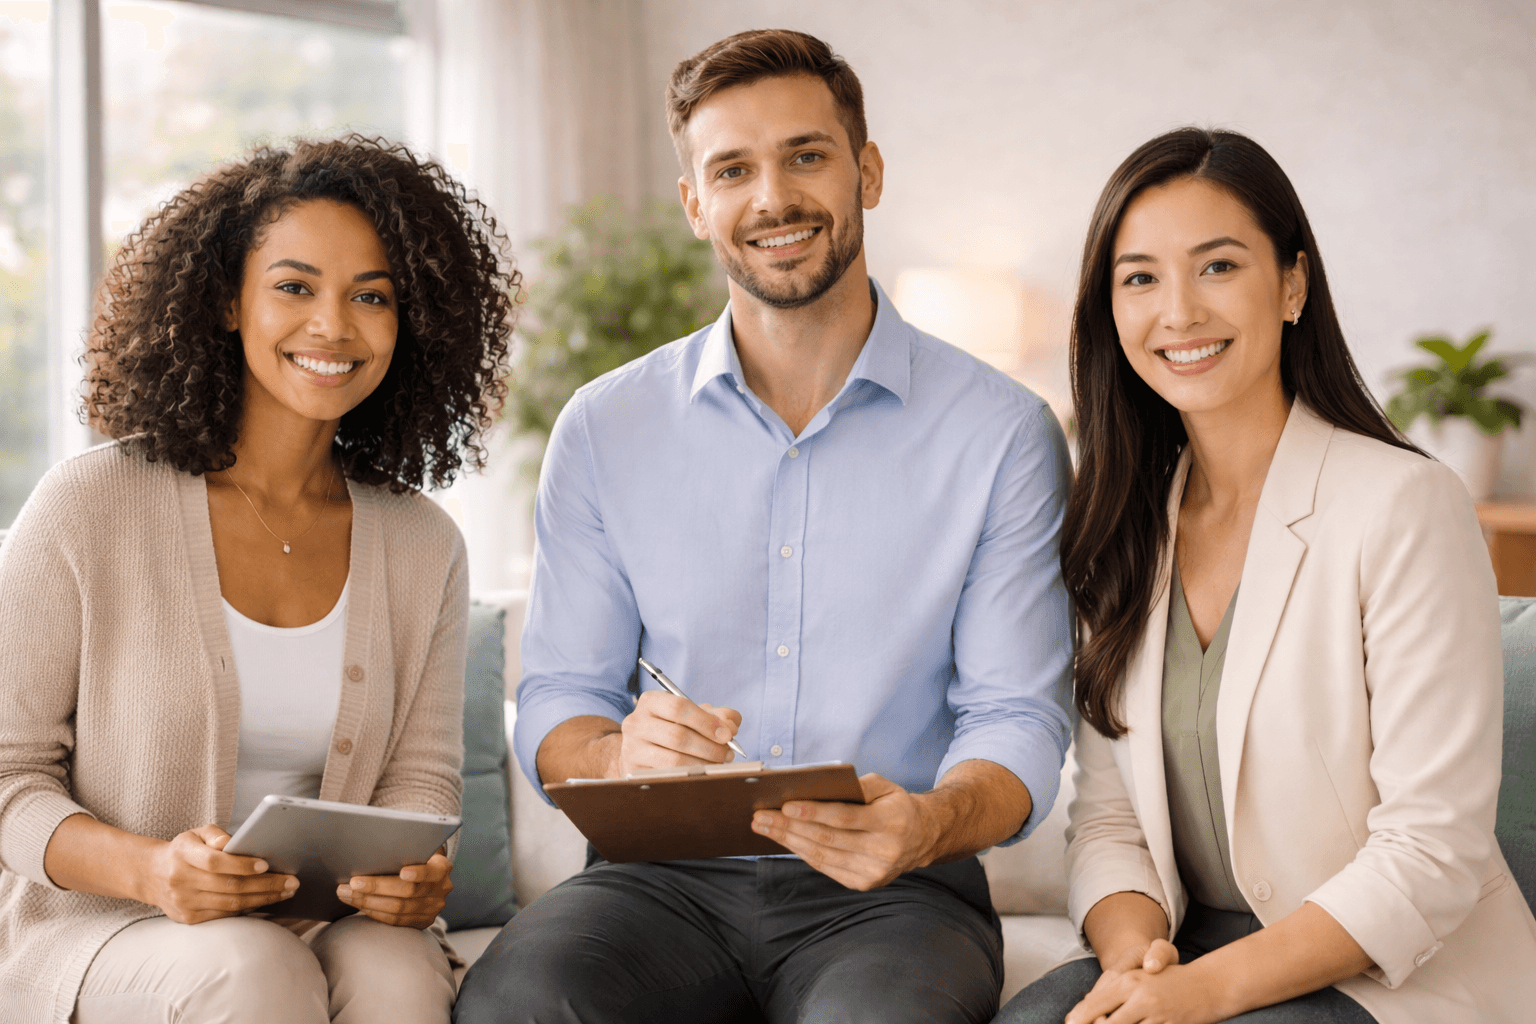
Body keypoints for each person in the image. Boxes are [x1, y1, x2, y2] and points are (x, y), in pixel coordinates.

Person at [454, 28, 1073, 1024]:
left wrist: (927, 823)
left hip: (897, 892)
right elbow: (564, 697)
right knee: (518, 1004)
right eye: (733, 169)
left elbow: (1019, 715)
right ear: (697, 203)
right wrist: (617, 757)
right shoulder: (605, 429)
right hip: (655, 881)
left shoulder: (1002, 435)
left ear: (867, 171)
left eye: (807, 156)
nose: (773, 198)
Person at [994, 128, 1536, 1024]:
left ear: (1292, 283)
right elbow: (1109, 823)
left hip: (1388, 973)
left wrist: (1197, 995)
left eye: (1217, 267)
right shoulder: (1122, 525)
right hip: (1187, 953)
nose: (1178, 312)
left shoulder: (1406, 505)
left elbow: (1428, 852)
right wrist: (1140, 970)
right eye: (1140, 278)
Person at [0, 135, 517, 1024]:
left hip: (321, 923)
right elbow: (9, 777)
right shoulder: (88, 504)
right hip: (107, 926)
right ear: (228, 303)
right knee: (252, 967)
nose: (333, 326)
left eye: (372, 296)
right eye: (294, 286)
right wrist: (153, 870)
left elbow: (421, 786)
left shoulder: (424, 542)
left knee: (398, 970)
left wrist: (412, 883)